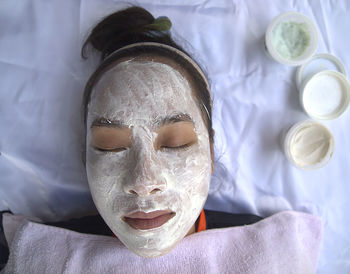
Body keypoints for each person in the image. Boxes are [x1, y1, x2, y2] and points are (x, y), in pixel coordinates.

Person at [0, 5, 262, 265]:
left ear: (211, 152)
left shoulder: (279, 245)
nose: (144, 181)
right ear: (85, 158)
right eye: (110, 146)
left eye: (175, 143)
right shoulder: (31, 253)